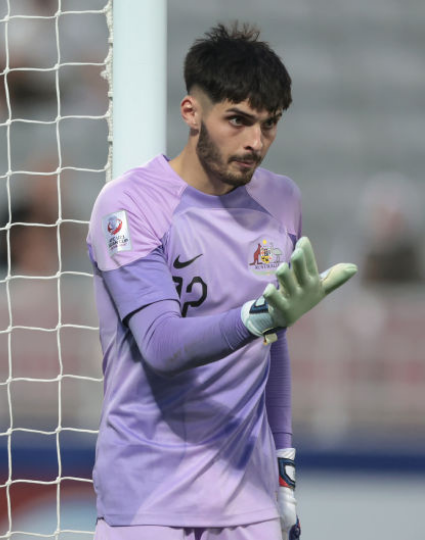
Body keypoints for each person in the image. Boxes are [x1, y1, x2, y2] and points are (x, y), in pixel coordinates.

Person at [86, 23, 357, 539]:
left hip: (248, 500)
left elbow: (272, 348)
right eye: (238, 120)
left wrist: (284, 473)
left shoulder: (282, 202)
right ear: (192, 112)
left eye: (269, 124)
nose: (255, 142)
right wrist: (263, 317)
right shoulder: (128, 206)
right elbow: (162, 344)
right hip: (148, 500)